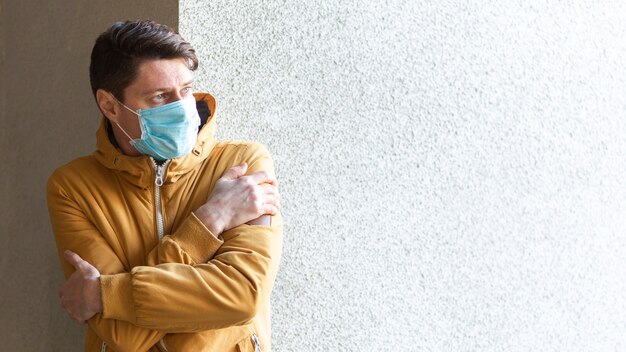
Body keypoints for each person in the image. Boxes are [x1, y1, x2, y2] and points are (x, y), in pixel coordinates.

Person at [47, 20, 283, 352]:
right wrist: (210, 220)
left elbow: (242, 295)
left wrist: (105, 294)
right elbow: (126, 337)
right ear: (110, 105)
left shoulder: (243, 165)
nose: (183, 108)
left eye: (186, 90)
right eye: (160, 97)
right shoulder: (73, 187)